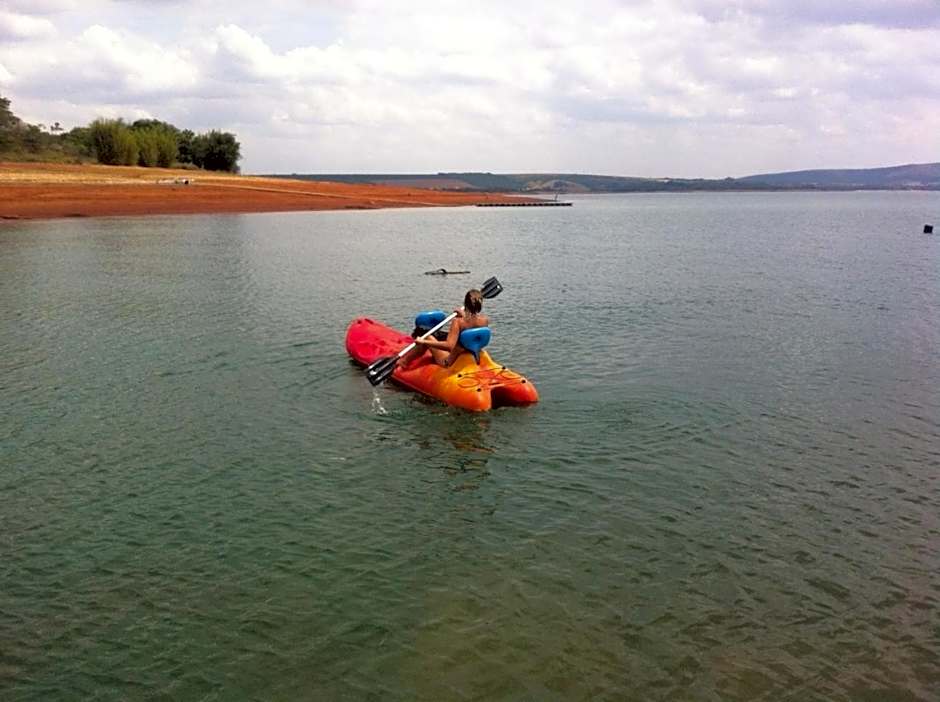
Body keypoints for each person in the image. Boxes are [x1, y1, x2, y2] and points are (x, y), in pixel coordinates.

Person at [399, 288, 489, 369]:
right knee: (443, 336)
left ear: (465, 303)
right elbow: (470, 326)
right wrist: (463, 315)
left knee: (427, 336)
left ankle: (404, 361)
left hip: (450, 362)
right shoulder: (484, 320)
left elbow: (449, 346)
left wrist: (423, 341)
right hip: (469, 357)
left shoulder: (458, 322)